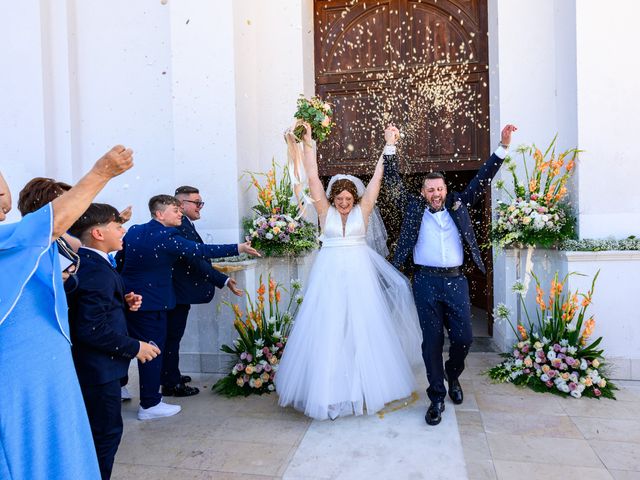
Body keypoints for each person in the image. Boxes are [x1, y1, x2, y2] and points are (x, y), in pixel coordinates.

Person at [0, 146, 133, 479]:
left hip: (50, 376)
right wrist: (102, 172)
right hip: (22, 384)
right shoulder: (16, 238)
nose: (5, 203)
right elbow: (50, 226)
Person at [276, 124, 422, 421]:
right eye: (339, 199)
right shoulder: (323, 211)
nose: (343, 204)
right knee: (330, 329)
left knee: (362, 328)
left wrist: (388, 144)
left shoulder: (363, 210)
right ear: (332, 198)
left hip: (359, 278)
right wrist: (308, 143)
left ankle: (365, 388)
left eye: (347, 199)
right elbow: (313, 176)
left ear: (355, 198)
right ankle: (328, 392)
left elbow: (378, 180)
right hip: (328, 278)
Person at [382, 123, 517, 426]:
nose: (435, 194)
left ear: (445, 189)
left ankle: (453, 374)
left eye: (439, 188)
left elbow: (483, 180)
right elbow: (392, 184)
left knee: (464, 338)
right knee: (431, 341)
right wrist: (390, 145)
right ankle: (436, 398)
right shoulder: (414, 208)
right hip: (426, 282)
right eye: (430, 189)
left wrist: (503, 148)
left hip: (456, 281)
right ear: (423, 192)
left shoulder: (460, 204)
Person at [116, 194, 259, 420]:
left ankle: (119, 388)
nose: (180, 213)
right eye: (175, 210)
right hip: (152, 304)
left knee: (128, 346)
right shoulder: (167, 236)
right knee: (153, 351)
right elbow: (201, 251)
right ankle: (150, 404)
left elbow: (121, 260)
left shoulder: (134, 230)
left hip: (129, 299)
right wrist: (238, 247)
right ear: (160, 214)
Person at [67, 203, 160, 479]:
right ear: (97, 232)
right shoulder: (95, 271)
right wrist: (136, 347)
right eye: (117, 227)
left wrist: (122, 301)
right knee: (104, 437)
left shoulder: (93, 263)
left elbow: (90, 307)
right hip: (98, 370)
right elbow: (90, 329)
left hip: (98, 368)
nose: (123, 231)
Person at [161, 186, 244, 398]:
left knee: (173, 337)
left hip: (178, 292)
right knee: (171, 338)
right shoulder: (179, 228)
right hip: (176, 292)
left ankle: (171, 374)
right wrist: (223, 279)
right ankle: (171, 383)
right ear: (181, 204)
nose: (200, 207)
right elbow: (196, 259)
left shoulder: (185, 225)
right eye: (197, 203)